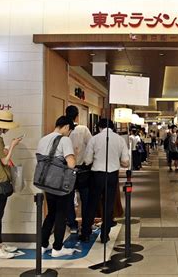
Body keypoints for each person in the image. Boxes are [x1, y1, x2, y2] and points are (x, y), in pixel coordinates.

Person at [80, 119, 129, 244]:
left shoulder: (94, 139)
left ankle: (86, 233)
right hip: (112, 175)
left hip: (97, 175)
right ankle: (104, 235)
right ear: (112, 127)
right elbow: (125, 162)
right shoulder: (120, 140)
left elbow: (87, 160)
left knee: (92, 204)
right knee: (108, 205)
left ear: (99, 127)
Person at [36, 116, 77, 257]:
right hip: (59, 184)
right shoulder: (64, 140)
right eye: (69, 130)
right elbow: (71, 163)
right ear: (66, 127)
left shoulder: (43, 139)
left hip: (46, 183)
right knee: (61, 214)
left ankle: (43, 244)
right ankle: (57, 248)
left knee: (51, 213)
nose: (69, 133)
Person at [0, 110, 22, 259]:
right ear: (3, 126)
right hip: (0, 181)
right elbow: (5, 161)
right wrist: (13, 145)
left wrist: (6, 150)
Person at [65, 105, 92, 234]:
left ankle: (72, 224)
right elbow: (91, 146)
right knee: (85, 198)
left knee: (69, 198)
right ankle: (86, 224)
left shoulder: (64, 130)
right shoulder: (83, 129)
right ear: (77, 116)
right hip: (83, 169)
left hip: (67, 169)